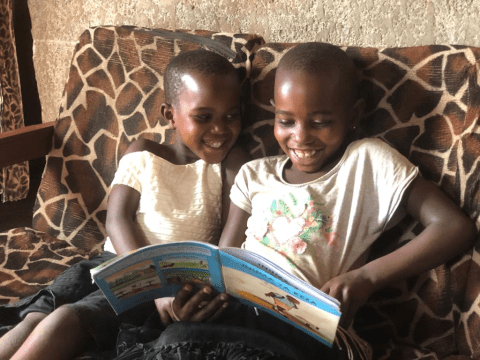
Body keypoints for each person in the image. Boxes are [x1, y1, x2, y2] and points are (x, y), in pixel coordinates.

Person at [217, 42, 477, 359]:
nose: (300, 137)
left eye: (319, 122)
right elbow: (221, 265)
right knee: (177, 336)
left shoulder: (366, 161)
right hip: (239, 321)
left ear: (352, 115)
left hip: (311, 332)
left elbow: (453, 227)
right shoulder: (253, 175)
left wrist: (366, 277)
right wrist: (197, 301)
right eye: (286, 121)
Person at [0, 49, 250, 360]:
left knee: (68, 320)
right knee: (36, 318)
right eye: (203, 117)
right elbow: (118, 220)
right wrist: (151, 282)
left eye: (232, 115)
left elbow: (227, 249)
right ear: (170, 114)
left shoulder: (232, 164)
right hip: (110, 264)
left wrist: (162, 291)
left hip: (169, 286)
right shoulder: (144, 152)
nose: (220, 129)